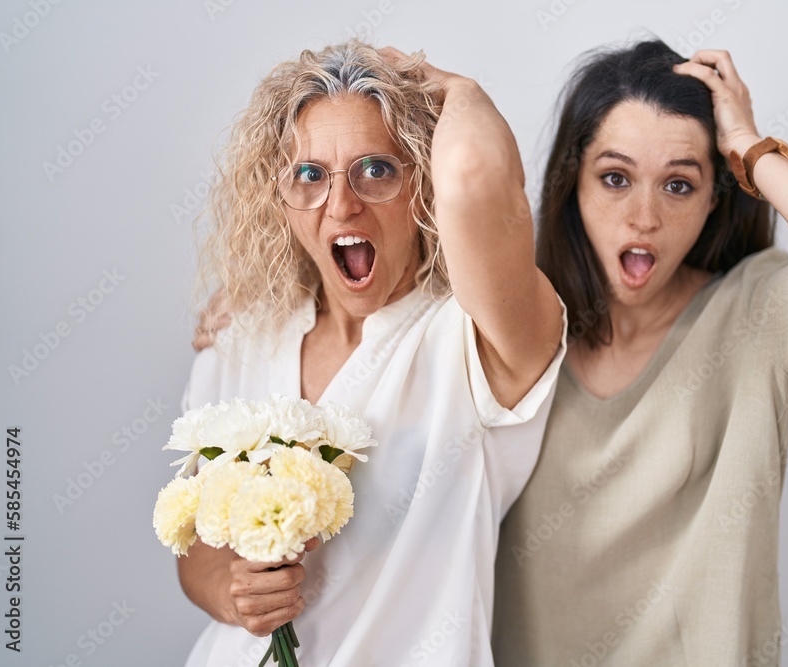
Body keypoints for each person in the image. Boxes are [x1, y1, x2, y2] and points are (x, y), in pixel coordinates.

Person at [492, 40, 788, 665]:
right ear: (571, 183)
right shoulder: (519, 331)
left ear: (716, 197)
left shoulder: (755, 314)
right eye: (615, 178)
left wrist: (749, 145)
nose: (644, 216)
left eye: (678, 184)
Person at [176, 41, 565, 666]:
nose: (342, 204)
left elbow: (476, 182)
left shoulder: (480, 343)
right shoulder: (241, 339)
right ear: (279, 197)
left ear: (424, 184)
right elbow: (193, 541)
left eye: (376, 169)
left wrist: (463, 94)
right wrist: (233, 592)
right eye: (310, 175)